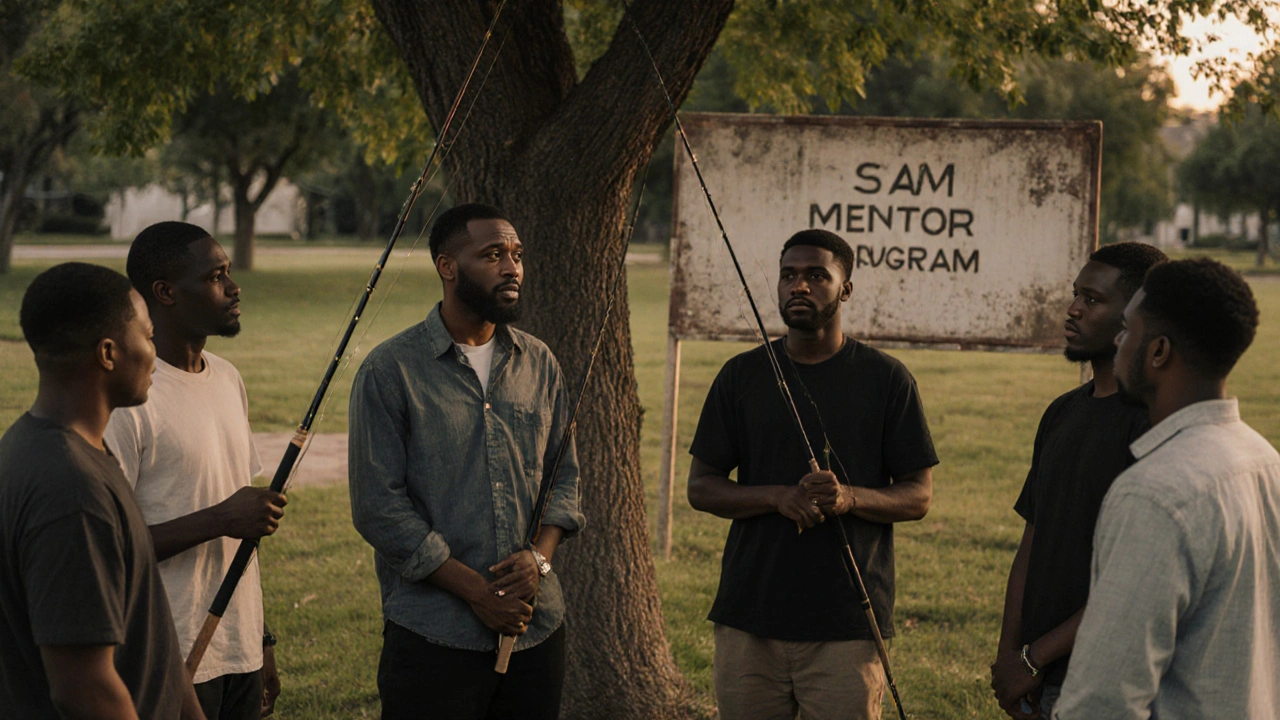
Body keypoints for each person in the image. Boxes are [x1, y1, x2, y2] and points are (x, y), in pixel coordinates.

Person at [687, 228, 938, 720]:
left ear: (846, 289)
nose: (799, 286)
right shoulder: (741, 375)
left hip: (847, 621)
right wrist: (779, 497)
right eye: (789, 275)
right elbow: (701, 486)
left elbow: (918, 496)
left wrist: (848, 497)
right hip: (749, 616)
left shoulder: (886, 379)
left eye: (817, 275)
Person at [348, 203, 585, 720]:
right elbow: (378, 508)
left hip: (534, 629)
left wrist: (539, 561)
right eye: (493, 254)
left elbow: (563, 477)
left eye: (517, 255)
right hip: (434, 635)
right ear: (447, 266)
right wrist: (478, 593)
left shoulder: (539, 361)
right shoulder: (391, 370)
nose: (512, 267)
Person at [1053, 258, 1280, 718]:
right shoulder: (1265, 461)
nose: (1118, 341)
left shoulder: (1154, 493)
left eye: (1128, 331)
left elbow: (1103, 700)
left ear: (1157, 352)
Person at [0, 262, 205, 718]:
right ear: (109, 354)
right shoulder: (70, 490)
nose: (154, 352)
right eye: (148, 337)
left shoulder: (50, 449)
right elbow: (83, 685)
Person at [103, 222, 285, 720]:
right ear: (165, 292)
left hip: (238, 649)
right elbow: (109, 547)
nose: (234, 287)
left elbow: (243, 527)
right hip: (167, 656)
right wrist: (219, 520)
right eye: (216, 276)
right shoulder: (130, 399)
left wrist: (262, 639)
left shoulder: (227, 378)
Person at [989, 242, 1167, 719]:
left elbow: (1135, 576)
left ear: (1135, 316)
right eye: (1075, 294)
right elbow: (1033, 539)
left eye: (1092, 299)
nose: (1072, 309)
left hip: (1105, 684)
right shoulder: (1063, 412)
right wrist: (1010, 655)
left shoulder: (1150, 424)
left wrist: (1034, 656)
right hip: (1036, 679)